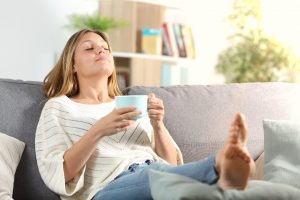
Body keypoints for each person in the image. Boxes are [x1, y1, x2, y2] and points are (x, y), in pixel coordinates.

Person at [35, 29, 256, 200]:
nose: (100, 51)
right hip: (107, 188)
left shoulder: (128, 105)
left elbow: (170, 163)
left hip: (152, 170)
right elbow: (60, 173)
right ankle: (219, 165)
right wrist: (98, 130)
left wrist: (158, 124)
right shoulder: (59, 108)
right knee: (159, 178)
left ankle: (221, 175)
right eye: (89, 48)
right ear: (72, 65)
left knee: (163, 178)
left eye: (104, 47)